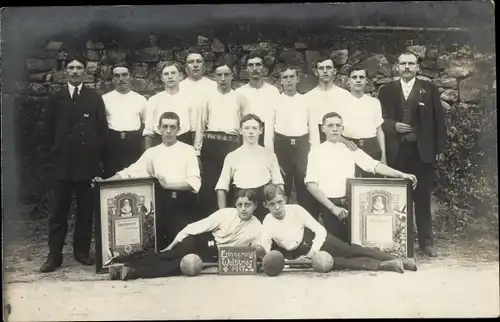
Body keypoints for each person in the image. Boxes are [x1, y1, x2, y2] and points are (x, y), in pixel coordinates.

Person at [40, 55, 109, 273]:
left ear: (85, 72)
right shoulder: (56, 98)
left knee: (85, 211)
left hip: (86, 165)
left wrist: (95, 160)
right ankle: (54, 255)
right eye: (72, 67)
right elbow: (47, 131)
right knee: (58, 212)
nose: (76, 71)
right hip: (62, 165)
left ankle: (81, 251)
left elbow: (102, 132)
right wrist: (52, 157)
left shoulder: (94, 97)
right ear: (65, 71)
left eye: (80, 68)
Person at [305, 112, 417, 242]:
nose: (335, 129)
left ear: (342, 128)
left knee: (358, 243)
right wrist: (332, 208)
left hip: (352, 203)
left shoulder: (350, 149)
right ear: (323, 128)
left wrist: (401, 174)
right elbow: (311, 185)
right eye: (330, 125)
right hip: (330, 206)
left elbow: (374, 166)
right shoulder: (316, 152)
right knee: (339, 247)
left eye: (338, 125)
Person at [96, 112, 201, 250]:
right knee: (157, 249)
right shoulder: (152, 152)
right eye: (165, 127)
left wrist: (167, 185)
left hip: (182, 205)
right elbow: (128, 173)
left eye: (172, 127)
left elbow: (195, 183)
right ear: (159, 128)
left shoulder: (188, 150)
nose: (168, 131)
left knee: (182, 249)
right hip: (160, 205)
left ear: (179, 129)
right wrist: (104, 182)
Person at [105, 188, 262, 280]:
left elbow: (257, 250)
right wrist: (172, 245)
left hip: (213, 254)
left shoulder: (256, 226)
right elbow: (192, 228)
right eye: (239, 204)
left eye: (247, 205)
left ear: (255, 206)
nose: (243, 209)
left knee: (176, 266)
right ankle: (121, 264)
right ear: (235, 205)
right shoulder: (225, 214)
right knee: (167, 256)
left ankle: (130, 272)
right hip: (200, 241)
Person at [378, 52, 446, 257]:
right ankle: (400, 241)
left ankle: (426, 242)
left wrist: (439, 150)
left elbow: (439, 121)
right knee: (398, 198)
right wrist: (393, 126)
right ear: (397, 67)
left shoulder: (429, 88)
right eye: (403, 64)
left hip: (421, 151)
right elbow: (380, 118)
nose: (407, 67)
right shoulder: (386, 90)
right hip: (396, 152)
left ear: (417, 67)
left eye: (411, 64)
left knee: (422, 197)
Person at [260, 184, 417, 273]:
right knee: (340, 262)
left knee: (350, 250)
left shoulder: (295, 210)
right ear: (266, 205)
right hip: (300, 254)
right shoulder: (267, 223)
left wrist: (314, 250)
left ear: (285, 200)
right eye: (272, 204)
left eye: (280, 202)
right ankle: (387, 266)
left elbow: (319, 230)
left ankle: (402, 260)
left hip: (318, 241)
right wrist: (292, 261)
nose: (277, 207)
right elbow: (266, 253)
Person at [195, 58, 248, 217]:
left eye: (226, 74)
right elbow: (200, 125)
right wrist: (197, 152)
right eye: (219, 75)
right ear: (215, 77)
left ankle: (231, 224)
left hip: (232, 146)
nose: (223, 79)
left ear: (233, 76)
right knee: (210, 187)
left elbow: (245, 126)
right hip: (211, 146)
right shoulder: (207, 97)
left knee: (232, 186)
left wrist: (245, 150)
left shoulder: (240, 98)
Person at [215, 114, 284, 222]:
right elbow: (221, 188)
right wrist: (224, 216)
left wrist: (278, 208)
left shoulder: (269, 155)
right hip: (242, 202)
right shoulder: (232, 156)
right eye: (247, 128)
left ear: (261, 130)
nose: (251, 132)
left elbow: (279, 184)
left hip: (263, 203)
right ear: (240, 131)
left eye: (255, 128)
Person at [269, 65, 317, 217]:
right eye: (285, 77)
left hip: (302, 147)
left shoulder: (306, 101)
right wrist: (271, 156)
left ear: (297, 79)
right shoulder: (274, 102)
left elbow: (313, 129)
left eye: (292, 77)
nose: (289, 80)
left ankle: (308, 228)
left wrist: (314, 154)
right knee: (282, 187)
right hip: (282, 147)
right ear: (281, 81)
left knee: (306, 187)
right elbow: (269, 131)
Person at [102, 62, 147, 178]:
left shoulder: (141, 100)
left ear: (130, 77)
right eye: (117, 76)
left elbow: (147, 125)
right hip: (112, 145)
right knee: (111, 179)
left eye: (124, 75)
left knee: (133, 178)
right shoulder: (104, 99)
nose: (121, 79)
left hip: (133, 144)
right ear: (112, 79)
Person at [342, 66, 387, 177]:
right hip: (349, 146)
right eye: (354, 77)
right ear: (348, 81)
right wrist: (345, 142)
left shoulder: (374, 102)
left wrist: (383, 155)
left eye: (361, 77)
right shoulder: (340, 101)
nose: (358, 80)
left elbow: (379, 130)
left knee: (373, 185)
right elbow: (333, 129)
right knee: (349, 185)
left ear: (366, 81)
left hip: (371, 147)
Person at [143, 62, 195, 149]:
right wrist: (147, 153)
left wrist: (195, 152)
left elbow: (194, 129)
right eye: (166, 74)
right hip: (159, 142)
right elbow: (148, 130)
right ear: (162, 78)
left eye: (173, 73)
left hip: (183, 141)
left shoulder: (190, 99)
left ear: (181, 76)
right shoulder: (154, 100)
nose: (170, 77)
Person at [305, 55, 353, 147]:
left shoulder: (345, 96)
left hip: (340, 148)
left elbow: (349, 126)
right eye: (321, 68)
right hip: (315, 148)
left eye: (328, 68)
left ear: (334, 71)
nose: (325, 71)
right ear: (315, 72)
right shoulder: (307, 98)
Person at [235, 50, 280, 149]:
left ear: (263, 68)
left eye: (258, 65)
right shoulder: (239, 93)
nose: (254, 68)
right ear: (247, 68)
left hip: (268, 139)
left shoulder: (273, 91)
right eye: (251, 65)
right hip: (247, 139)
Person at [179, 49, 218, 143]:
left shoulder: (214, 86)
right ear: (185, 67)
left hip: (207, 134)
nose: (195, 65)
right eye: (191, 62)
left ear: (204, 66)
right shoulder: (178, 87)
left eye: (199, 61)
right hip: (184, 134)